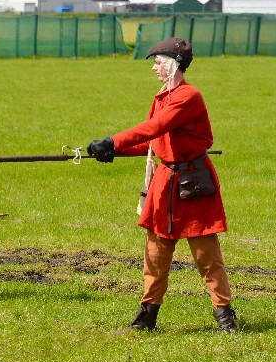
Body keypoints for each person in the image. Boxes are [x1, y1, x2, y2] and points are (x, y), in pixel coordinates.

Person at [87, 37, 237, 333]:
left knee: (207, 257)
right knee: (155, 255)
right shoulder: (162, 98)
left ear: (172, 63)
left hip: (194, 181)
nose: (154, 68)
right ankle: (147, 317)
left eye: (157, 62)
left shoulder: (188, 96)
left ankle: (225, 316)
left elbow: (156, 127)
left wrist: (113, 140)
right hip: (165, 183)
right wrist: (111, 150)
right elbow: (152, 141)